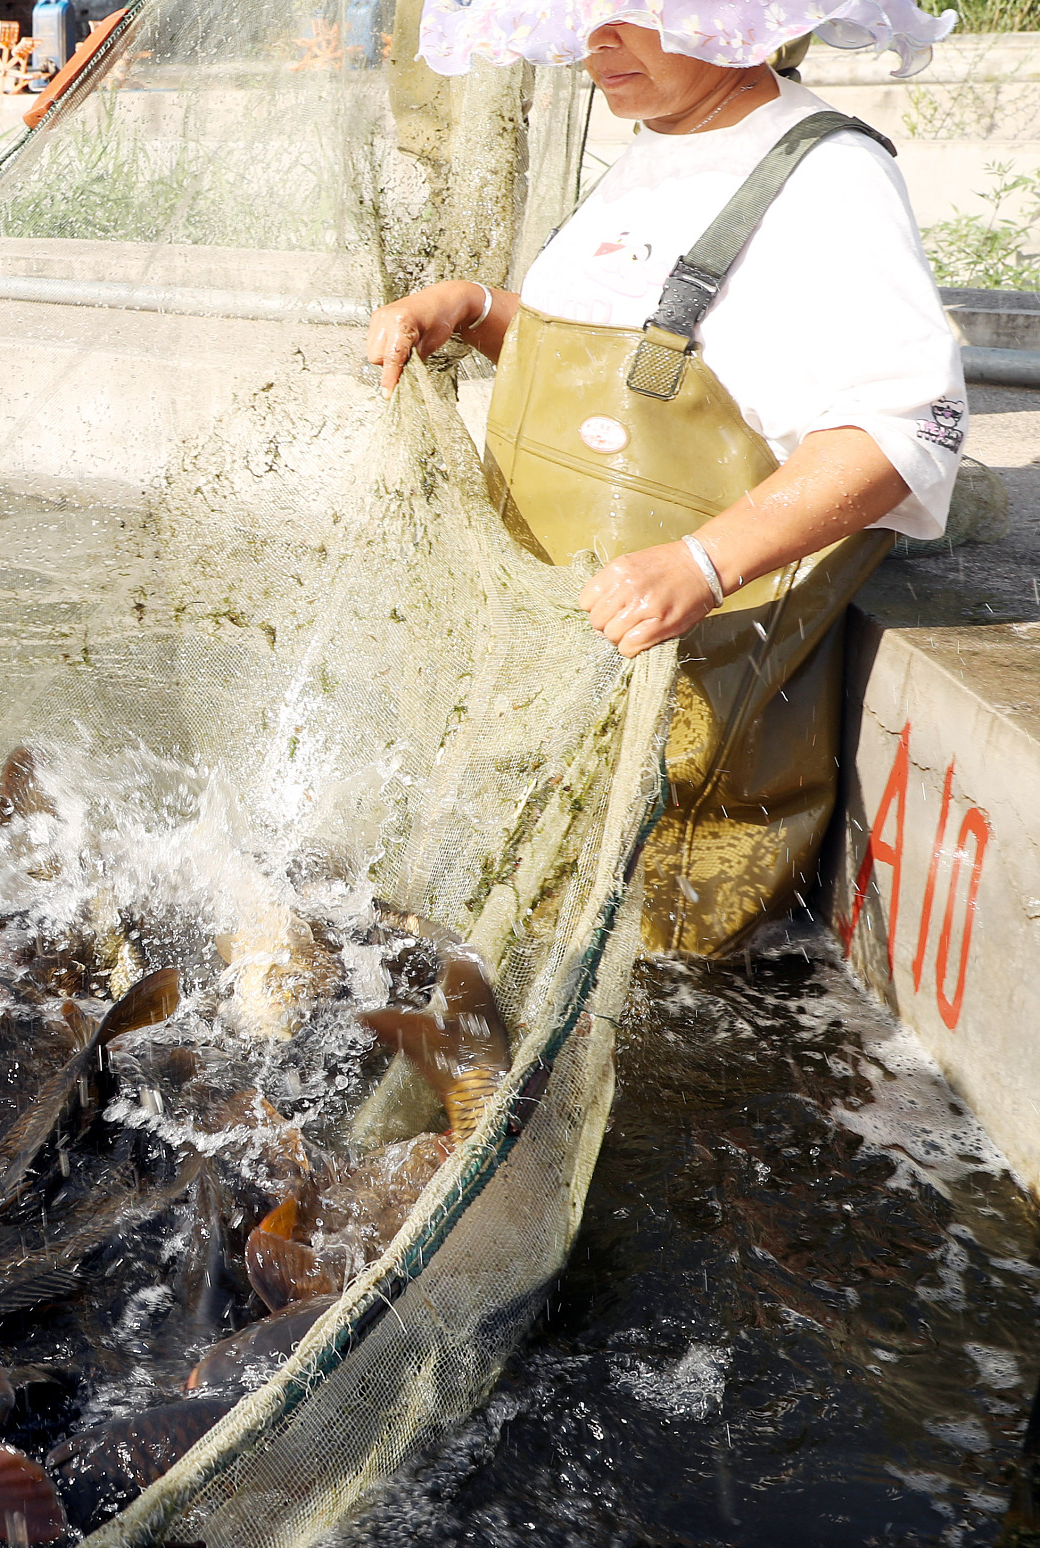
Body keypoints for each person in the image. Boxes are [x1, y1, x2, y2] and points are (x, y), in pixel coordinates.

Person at [364, 1, 965, 954]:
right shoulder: (655, 144)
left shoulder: (830, 176)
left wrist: (703, 562)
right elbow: (639, 372)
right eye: (583, 18)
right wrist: (474, 310)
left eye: (633, 15)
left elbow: (907, 429)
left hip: (686, 751)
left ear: (746, 23)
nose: (597, 42)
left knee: (646, 967)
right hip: (557, 695)